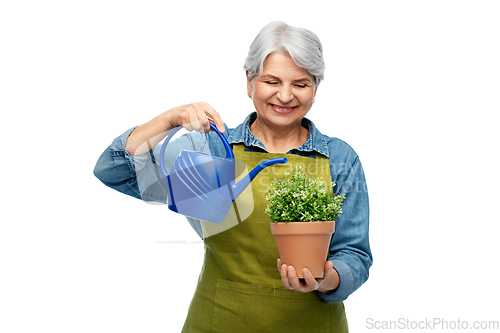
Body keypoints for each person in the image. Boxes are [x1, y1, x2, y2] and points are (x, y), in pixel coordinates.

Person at [94, 21, 372, 332]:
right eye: (271, 81)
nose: (284, 95)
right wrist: (170, 118)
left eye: (301, 84)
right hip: (219, 321)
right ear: (249, 81)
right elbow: (116, 171)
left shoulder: (338, 158)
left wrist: (327, 279)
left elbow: (355, 254)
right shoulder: (212, 150)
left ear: (316, 88)